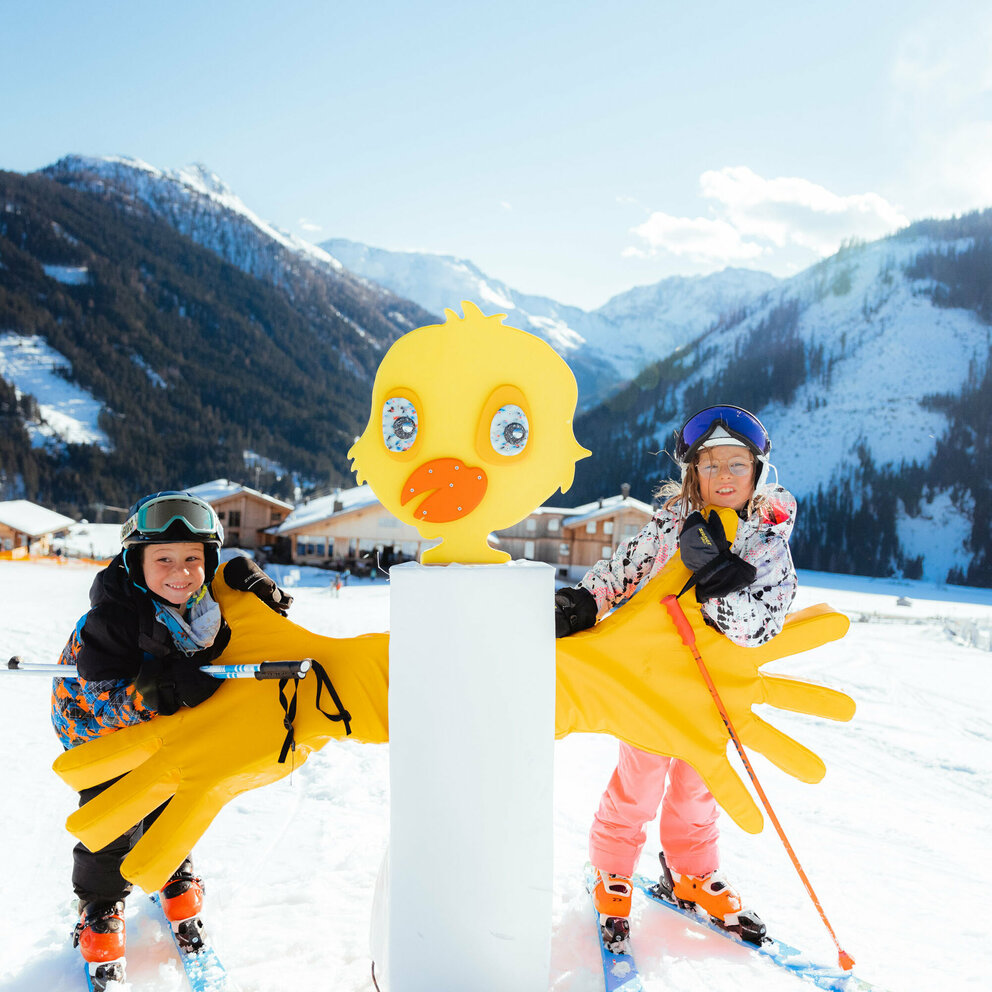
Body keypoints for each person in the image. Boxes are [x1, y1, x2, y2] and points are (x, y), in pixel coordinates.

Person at [554, 405, 796, 945]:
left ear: (757, 472)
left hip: (711, 695)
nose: (725, 475)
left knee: (697, 789)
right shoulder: (669, 525)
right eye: (712, 465)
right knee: (637, 783)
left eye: (738, 463)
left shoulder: (767, 543)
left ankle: (692, 874)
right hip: (650, 684)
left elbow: (763, 626)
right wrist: (581, 604)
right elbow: (623, 571)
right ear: (694, 473)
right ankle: (613, 871)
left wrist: (719, 584)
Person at [51, 491, 292, 986]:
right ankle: (100, 908)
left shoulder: (202, 604)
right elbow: (101, 702)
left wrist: (256, 592)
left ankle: (171, 873)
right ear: (135, 562)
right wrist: (159, 693)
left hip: (166, 729)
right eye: (163, 558)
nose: (180, 572)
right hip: (98, 733)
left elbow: (239, 617)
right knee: (114, 818)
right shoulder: (112, 619)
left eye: (193, 558)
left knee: (174, 797)